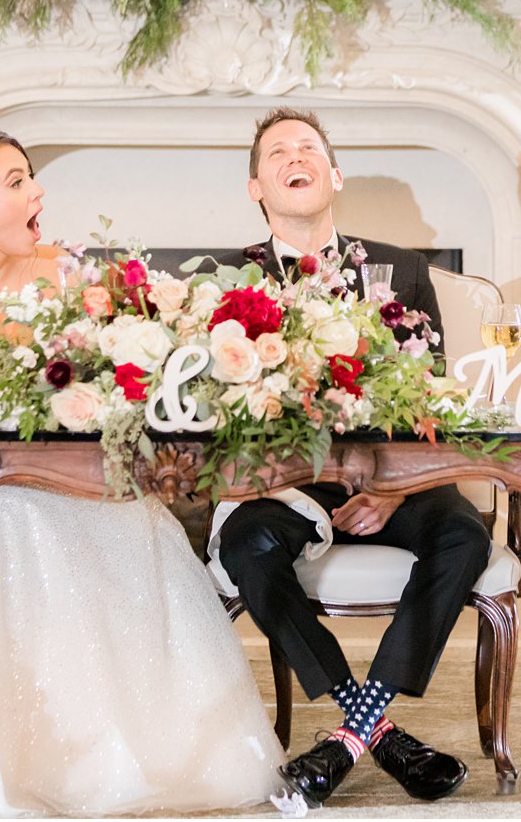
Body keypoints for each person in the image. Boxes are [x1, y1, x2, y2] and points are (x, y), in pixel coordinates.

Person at [0, 129, 285, 816]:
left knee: (53, 523)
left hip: (67, 484)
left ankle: (94, 761)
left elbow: (117, 386)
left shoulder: (65, 274)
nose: (37, 192)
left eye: (30, 177)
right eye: (16, 180)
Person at [209, 107, 491, 808]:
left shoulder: (405, 270)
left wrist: (394, 489)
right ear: (256, 186)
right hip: (289, 485)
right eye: (277, 152)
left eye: (308, 147)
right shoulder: (225, 285)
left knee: (465, 534)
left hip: (391, 483)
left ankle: (348, 735)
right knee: (245, 544)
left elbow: (432, 396)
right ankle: (373, 728)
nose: (294, 157)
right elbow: (221, 416)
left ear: (333, 175)